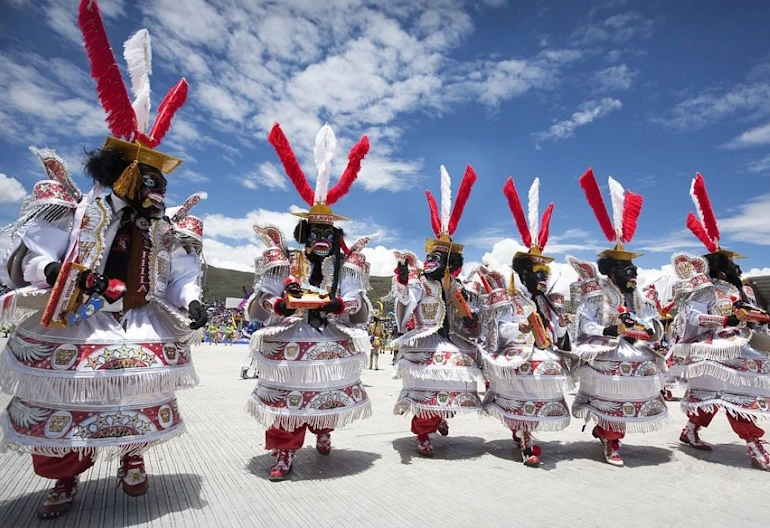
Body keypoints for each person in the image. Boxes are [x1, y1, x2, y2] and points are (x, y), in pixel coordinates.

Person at [0, 2, 208, 518]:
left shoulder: (164, 228)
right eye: (149, 181)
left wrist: (194, 301)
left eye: (161, 183)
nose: (159, 192)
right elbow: (30, 255)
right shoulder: (75, 209)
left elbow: (178, 277)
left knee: (135, 388)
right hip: (77, 317)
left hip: (136, 318)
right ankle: (64, 479)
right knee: (68, 397)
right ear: (123, 175)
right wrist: (60, 274)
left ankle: (132, 459)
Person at [244, 123, 372, 480]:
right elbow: (260, 300)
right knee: (287, 399)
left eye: (327, 234)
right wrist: (277, 307)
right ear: (304, 235)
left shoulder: (347, 268)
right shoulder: (284, 261)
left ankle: (324, 428)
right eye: (314, 233)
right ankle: (284, 451)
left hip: (330, 336)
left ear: (335, 238)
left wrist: (339, 307)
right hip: (291, 335)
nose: (320, 239)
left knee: (325, 390)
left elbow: (357, 304)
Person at [669, 173, 770, 471]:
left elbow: (750, 317)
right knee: (738, 396)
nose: (737, 268)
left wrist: (756, 318)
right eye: (731, 264)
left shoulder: (740, 290)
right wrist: (726, 317)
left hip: (739, 344)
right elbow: (692, 317)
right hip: (715, 348)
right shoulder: (706, 289)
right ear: (721, 270)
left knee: (721, 397)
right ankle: (755, 447)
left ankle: (690, 430)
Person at [567, 170, 669, 466]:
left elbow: (653, 321)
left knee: (636, 383)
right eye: (627, 271)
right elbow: (584, 325)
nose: (633, 275)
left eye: (635, 271)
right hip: (608, 349)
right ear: (611, 272)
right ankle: (612, 441)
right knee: (613, 388)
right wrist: (613, 328)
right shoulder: (597, 295)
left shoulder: (640, 298)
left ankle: (609, 433)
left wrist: (650, 330)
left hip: (636, 349)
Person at [479, 177, 573, 467]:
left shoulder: (549, 301)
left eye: (544, 275)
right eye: (537, 275)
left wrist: (564, 323)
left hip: (544, 352)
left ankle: (525, 433)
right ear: (525, 275)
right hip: (519, 352)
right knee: (524, 385)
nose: (542, 280)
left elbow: (555, 332)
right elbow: (500, 328)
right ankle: (526, 438)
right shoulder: (510, 299)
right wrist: (520, 328)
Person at [392, 165, 484, 457]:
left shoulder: (458, 286)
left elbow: (470, 313)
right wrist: (403, 283)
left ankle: (442, 415)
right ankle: (423, 433)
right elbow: (406, 300)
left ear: (450, 263)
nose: (431, 261)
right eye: (430, 257)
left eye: (438, 258)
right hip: (427, 339)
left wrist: (472, 320)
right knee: (429, 381)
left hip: (452, 339)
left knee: (455, 376)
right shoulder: (421, 283)